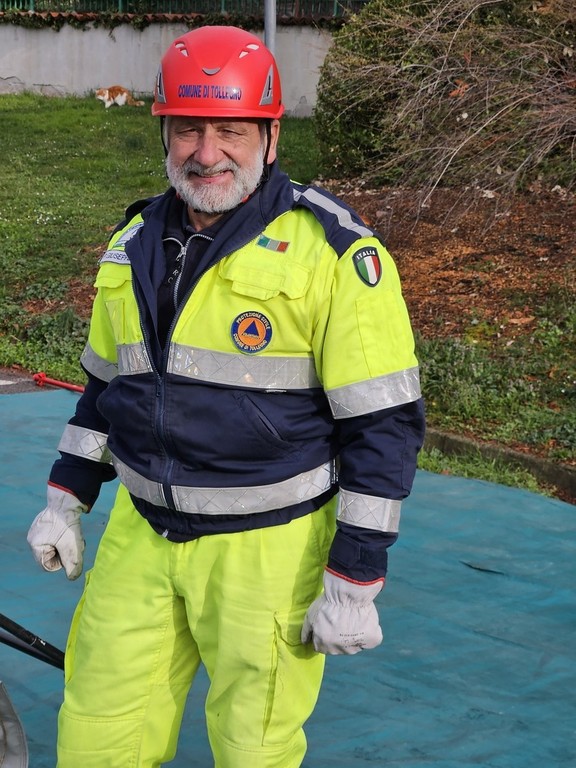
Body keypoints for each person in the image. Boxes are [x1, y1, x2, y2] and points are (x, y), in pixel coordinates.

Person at [26, 25, 425, 768]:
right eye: (188, 130)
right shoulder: (135, 240)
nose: (206, 153)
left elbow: (385, 427)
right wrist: (67, 496)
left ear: (271, 138)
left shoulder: (335, 253)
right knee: (95, 735)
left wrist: (356, 575)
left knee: (254, 750)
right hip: (139, 538)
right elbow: (105, 389)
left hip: (267, 552)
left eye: (230, 131)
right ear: (165, 133)